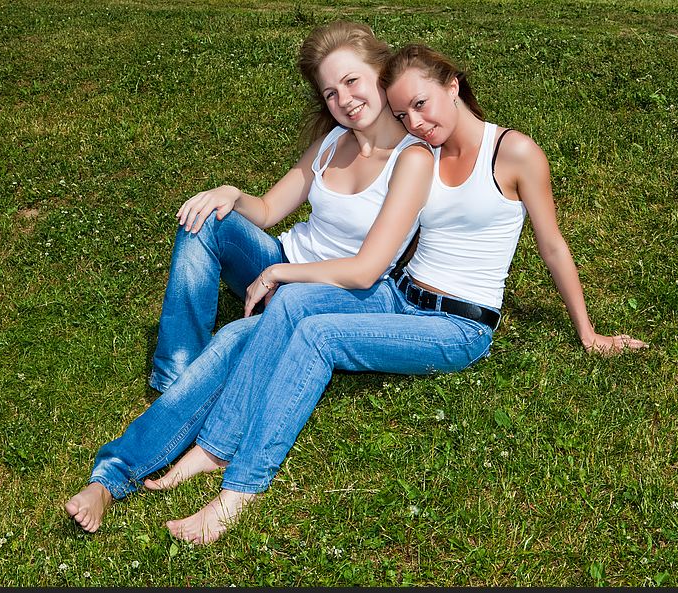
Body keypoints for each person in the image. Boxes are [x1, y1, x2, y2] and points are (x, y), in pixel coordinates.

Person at [150, 43, 649, 544]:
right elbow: (375, 241)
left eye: (422, 103)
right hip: (399, 296)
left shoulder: (514, 153)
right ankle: (212, 450)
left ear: (453, 86)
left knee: (318, 337)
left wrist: (588, 332)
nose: (415, 120)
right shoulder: (422, 153)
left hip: (457, 326)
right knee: (296, 305)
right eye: (402, 112)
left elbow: (553, 246)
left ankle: (238, 495)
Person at [64, 22, 433, 532]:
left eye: (352, 81)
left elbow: (367, 269)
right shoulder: (333, 144)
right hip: (280, 266)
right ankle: (176, 377)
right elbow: (266, 209)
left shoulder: (411, 160)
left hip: (327, 293)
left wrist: (283, 274)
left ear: (380, 72)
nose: (344, 100)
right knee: (205, 221)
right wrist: (230, 195)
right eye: (330, 92)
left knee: (235, 339)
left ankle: (112, 476)